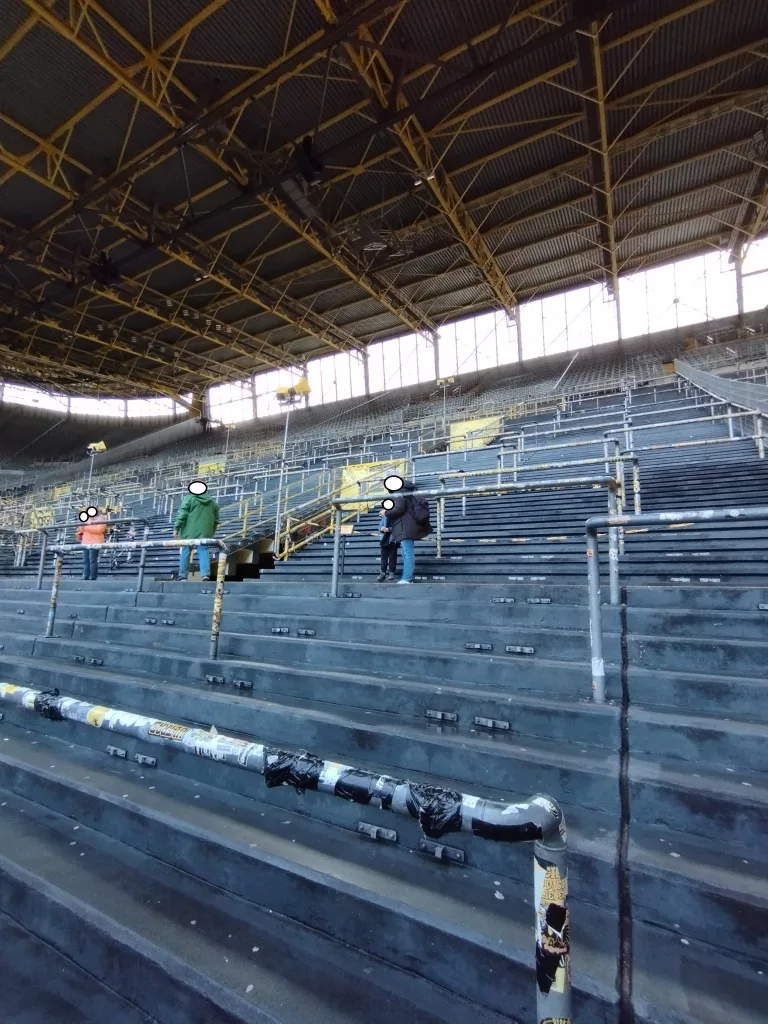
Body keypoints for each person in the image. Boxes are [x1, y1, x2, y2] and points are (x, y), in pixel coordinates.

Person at [382, 479, 431, 585]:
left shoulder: (399, 493)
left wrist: (385, 512)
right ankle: (407, 577)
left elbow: (399, 508)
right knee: (406, 553)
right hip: (407, 527)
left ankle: (407, 578)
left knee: (407, 553)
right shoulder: (406, 492)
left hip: (405, 527)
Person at [174, 481, 220, 581]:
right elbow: (216, 520)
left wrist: (176, 528)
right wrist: (211, 532)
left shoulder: (189, 498)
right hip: (205, 532)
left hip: (188, 531)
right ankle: (205, 574)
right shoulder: (212, 503)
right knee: (203, 550)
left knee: (185, 551)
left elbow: (182, 514)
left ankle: (183, 575)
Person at [76, 509, 107, 581]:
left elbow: (99, 529)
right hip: (85, 541)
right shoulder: (87, 518)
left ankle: (93, 576)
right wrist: (81, 526)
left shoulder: (102, 518)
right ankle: (86, 575)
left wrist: (87, 527)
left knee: (92, 559)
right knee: (86, 560)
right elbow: (82, 530)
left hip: (95, 541)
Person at [377, 512, 399, 582]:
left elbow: (398, 527)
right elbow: (379, 526)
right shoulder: (384, 517)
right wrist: (381, 528)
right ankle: (383, 573)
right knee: (383, 557)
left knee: (392, 557)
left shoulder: (396, 517)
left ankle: (391, 573)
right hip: (384, 540)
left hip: (393, 540)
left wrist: (389, 529)